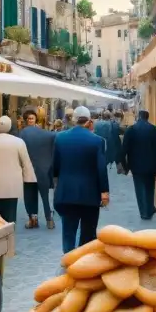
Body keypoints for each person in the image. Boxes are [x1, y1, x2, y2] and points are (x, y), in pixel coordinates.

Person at [53, 105, 109, 253]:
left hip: (66, 192)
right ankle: (84, 264)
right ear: (89, 121)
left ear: (73, 119)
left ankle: (68, 261)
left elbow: (55, 167)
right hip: (90, 194)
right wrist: (104, 191)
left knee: (68, 231)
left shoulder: (60, 138)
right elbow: (101, 168)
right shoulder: (97, 141)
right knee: (88, 233)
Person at [0, 116, 35, 224]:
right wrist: (29, 181)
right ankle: (10, 237)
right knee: (11, 215)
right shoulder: (19, 142)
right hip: (13, 184)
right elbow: (26, 163)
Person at [120, 110, 156, 221]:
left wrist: (125, 167)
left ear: (138, 117)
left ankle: (143, 212)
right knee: (150, 187)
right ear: (148, 117)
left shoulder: (131, 130)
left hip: (136, 165)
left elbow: (124, 150)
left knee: (139, 189)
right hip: (152, 165)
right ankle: (149, 209)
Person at [19, 108, 57, 229]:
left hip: (29, 170)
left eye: (32, 118)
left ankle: (36, 220)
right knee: (43, 195)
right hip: (43, 169)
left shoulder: (23, 133)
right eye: (29, 118)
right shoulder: (45, 133)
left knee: (30, 195)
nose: (30, 120)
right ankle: (48, 219)